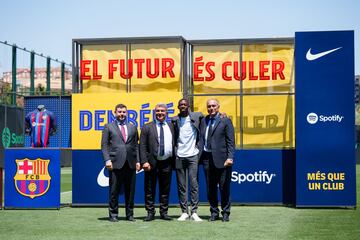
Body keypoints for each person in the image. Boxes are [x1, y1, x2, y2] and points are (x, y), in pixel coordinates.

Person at [101, 103, 140, 222]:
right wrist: (107, 160)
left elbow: (136, 146)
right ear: (115, 113)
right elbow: (104, 145)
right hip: (115, 163)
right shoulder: (108, 126)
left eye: (123, 112)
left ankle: (130, 214)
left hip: (131, 163)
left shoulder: (133, 127)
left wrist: (138, 161)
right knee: (114, 191)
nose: (121, 114)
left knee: (130, 191)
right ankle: (113, 214)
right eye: (119, 112)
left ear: (126, 113)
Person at [199, 99, 235, 222]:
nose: (211, 108)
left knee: (224, 187)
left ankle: (226, 212)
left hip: (223, 159)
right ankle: (214, 212)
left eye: (214, 106)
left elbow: (231, 141)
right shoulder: (203, 120)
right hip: (207, 159)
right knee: (211, 188)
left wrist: (230, 157)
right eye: (209, 106)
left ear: (218, 107)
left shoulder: (226, 121)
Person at [140, 103, 175, 221]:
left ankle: (164, 212)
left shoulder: (171, 126)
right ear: (154, 113)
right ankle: (150, 212)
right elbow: (142, 146)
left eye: (162, 111)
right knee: (149, 189)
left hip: (167, 162)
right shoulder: (147, 127)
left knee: (165, 189)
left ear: (166, 113)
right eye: (158, 111)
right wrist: (144, 161)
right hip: (151, 163)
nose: (160, 113)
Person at [171, 98, 203, 221]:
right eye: (181, 105)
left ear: (189, 106)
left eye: (185, 104)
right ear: (178, 107)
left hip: (193, 156)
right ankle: (184, 211)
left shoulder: (197, 116)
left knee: (194, 184)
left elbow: (208, 118)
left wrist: (222, 115)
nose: (183, 106)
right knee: (181, 185)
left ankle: (194, 211)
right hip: (179, 156)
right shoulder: (174, 120)